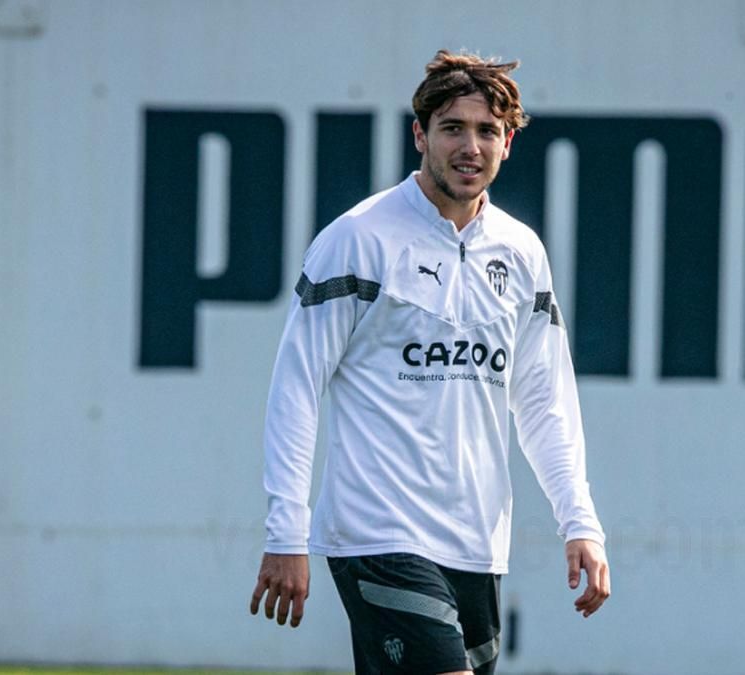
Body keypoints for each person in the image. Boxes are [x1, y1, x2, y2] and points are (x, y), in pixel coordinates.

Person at [249, 49, 610, 674]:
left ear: (508, 143)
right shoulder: (358, 239)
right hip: (378, 531)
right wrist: (287, 531)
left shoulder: (522, 254)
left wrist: (581, 521)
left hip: (477, 543)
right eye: (452, 128)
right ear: (420, 135)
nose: (470, 147)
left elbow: (545, 402)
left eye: (487, 131)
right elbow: (297, 389)